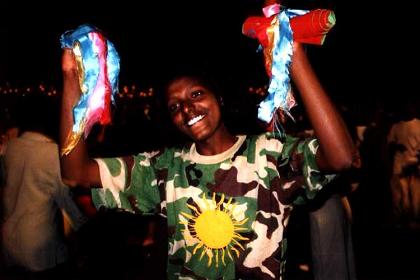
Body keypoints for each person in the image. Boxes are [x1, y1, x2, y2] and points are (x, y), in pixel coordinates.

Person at [60, 26, 356, 280]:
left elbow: (341, 157)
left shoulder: (269, 155)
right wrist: (71, 78)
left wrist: (296, 59)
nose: (187, 108)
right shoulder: (164, 168)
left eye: (196, 94)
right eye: (175, 106)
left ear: (220, 98)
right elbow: (75, 174)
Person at [1, 95, 87, 278]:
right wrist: (84, 224)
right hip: (39, 244)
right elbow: (66, 199)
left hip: (8, 239)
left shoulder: (10, 148)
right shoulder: (51, 154)